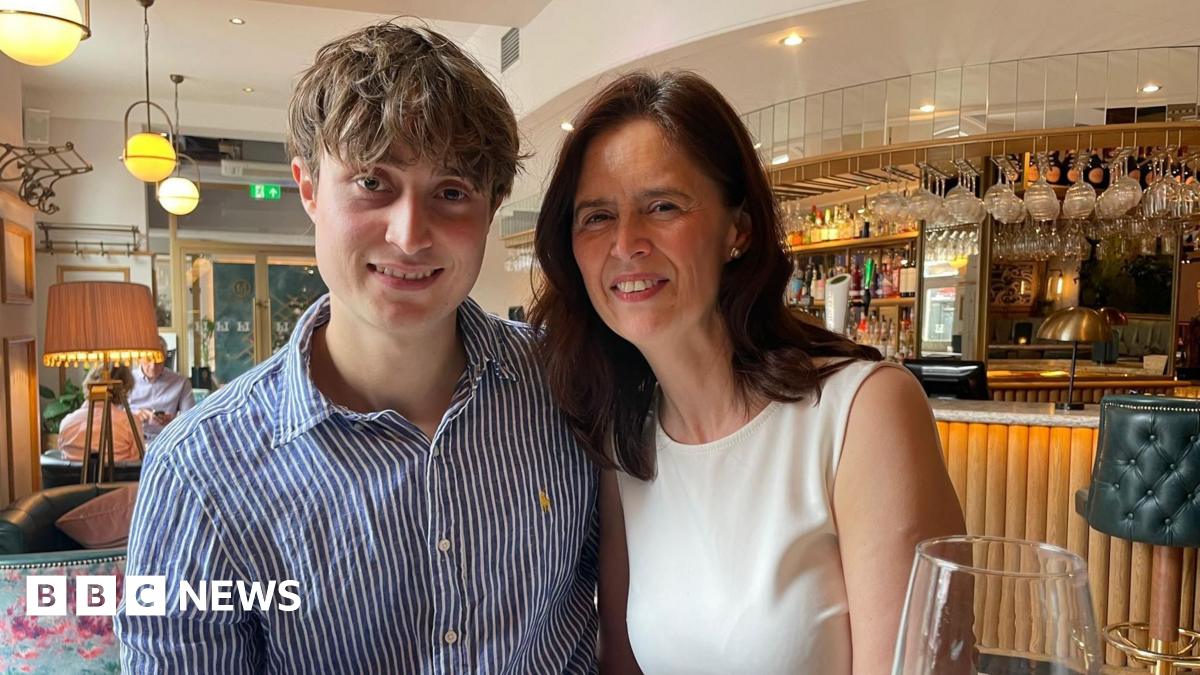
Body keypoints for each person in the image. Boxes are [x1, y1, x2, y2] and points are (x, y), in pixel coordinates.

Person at [116, 23, 599, 674]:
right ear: (309, 189)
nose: (409, 234)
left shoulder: (569, 386)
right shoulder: (198, 474)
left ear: (492, 208)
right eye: (374, 182)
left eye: (450, 191)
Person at [529, 71, 967, 675]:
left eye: (662, 206)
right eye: (596, 217)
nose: (626, 242)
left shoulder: (863, 413)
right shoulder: (622, 437)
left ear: (738, 230)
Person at [58, 365, 143, 463]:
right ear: (124, 388)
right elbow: (139, 460)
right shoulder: (129, 422)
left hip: (72, 478)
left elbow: (62, 457)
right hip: (120, 477)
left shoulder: (66, 422)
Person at [128, 336, 195, 445]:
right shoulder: (127, 381)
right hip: (132, 440)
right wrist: (135, 417)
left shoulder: (181, 382)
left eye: (158, 360)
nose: (153, 366)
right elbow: (115, 417)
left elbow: (190, 419)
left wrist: (173, 421)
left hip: (167, 441)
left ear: (165, 358)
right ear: (139, 358)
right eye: (148, 359)